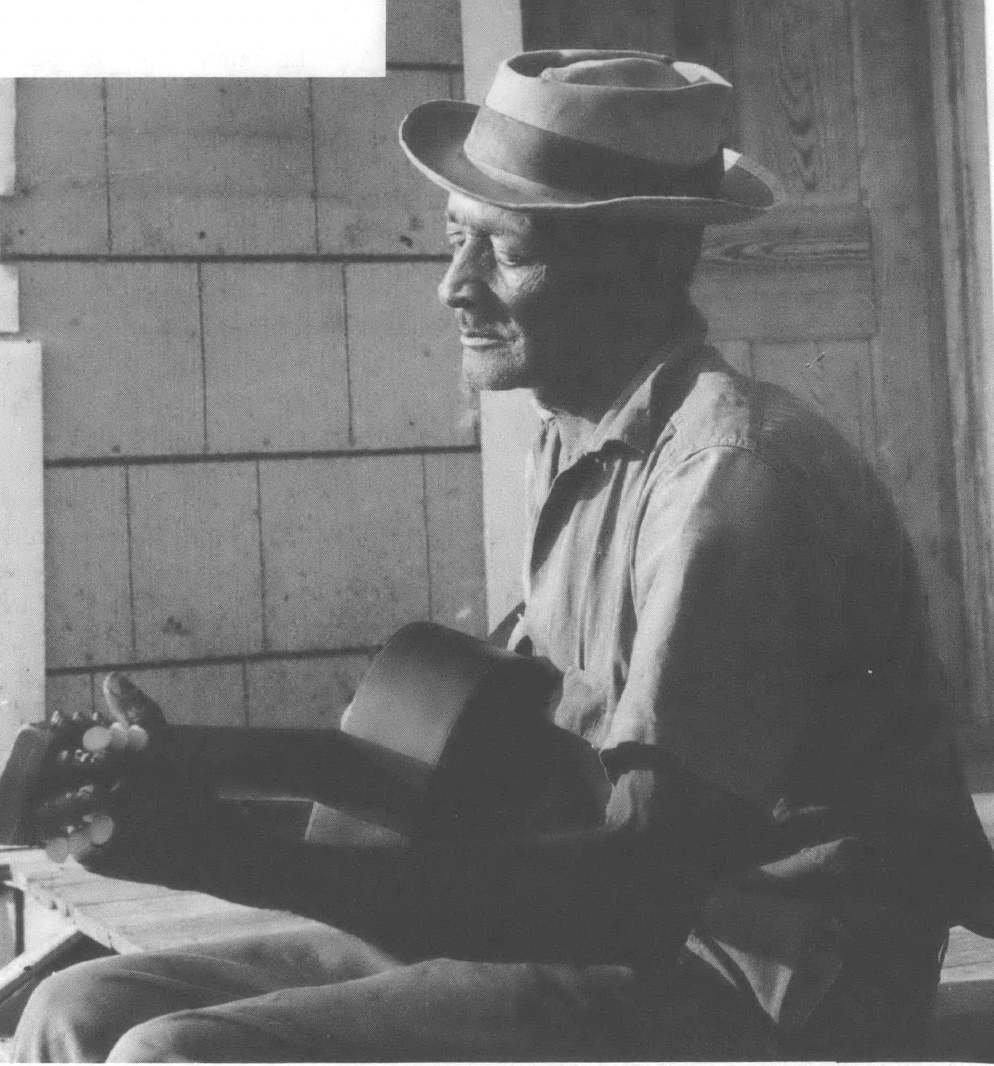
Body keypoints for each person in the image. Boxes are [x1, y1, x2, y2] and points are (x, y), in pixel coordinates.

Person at [12, 49, 994, 1062]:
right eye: (453, 237)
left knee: (174, 1055)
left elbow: (634, 891)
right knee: (72, 1011)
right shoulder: (582, 436)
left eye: (505, 249)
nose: (453, 286)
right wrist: (191, 766)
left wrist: (221, 854)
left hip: (764, 977)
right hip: (602, 923)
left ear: (641, 263)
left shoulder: (728, 485)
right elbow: (486, 748)